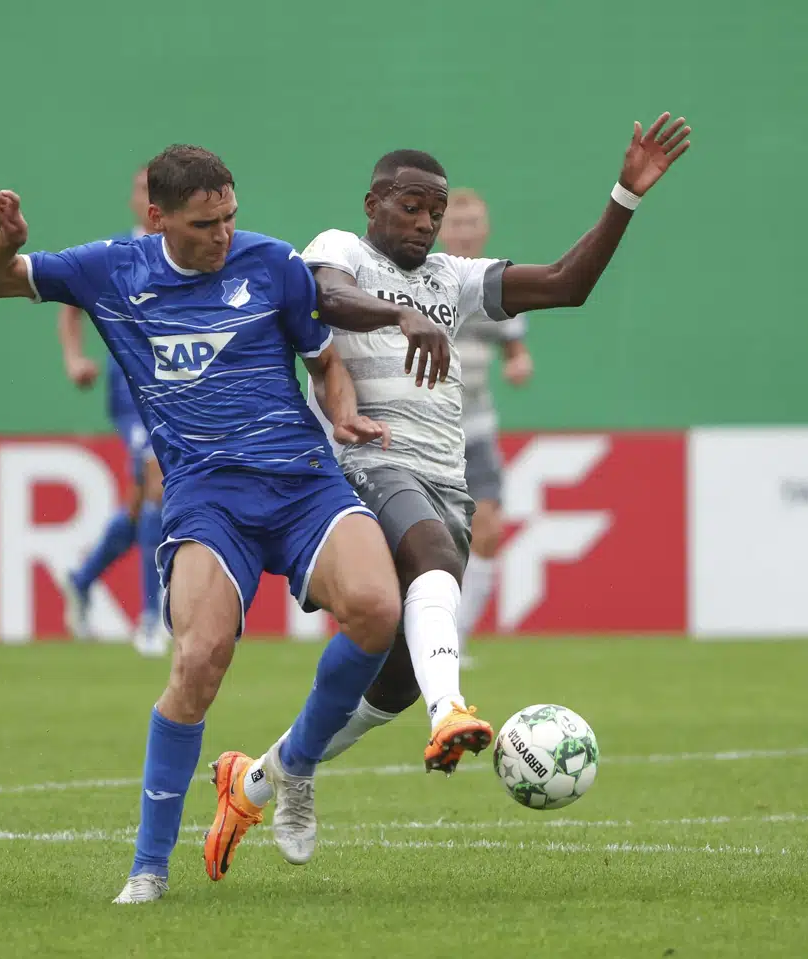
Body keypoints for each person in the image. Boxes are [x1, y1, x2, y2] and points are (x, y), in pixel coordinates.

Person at [212, 112, 691, 875]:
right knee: (430, 559)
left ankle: (265, 776)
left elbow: (567, 286)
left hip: (446, 481)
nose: (426, 221)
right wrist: (399, 312)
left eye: (435, 211)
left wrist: (623, 198)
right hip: (362, 459)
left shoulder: (452, 279)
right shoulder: (339, 248)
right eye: (412, 205)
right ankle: (453, 709)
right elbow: (325, 300)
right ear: (374, 201)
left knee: (390, 682)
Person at [0, 144, 402, 905]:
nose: (224, 234)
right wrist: (8, 238)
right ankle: (148, 867)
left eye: (231, 216)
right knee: (199, 659)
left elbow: (326, 361)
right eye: (206, 223)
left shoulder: (275, 266)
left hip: (303, 483)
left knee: (378, 608)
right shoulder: (111, 269)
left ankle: (291, 765)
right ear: (158, 216)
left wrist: (345, 413)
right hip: (206, 497)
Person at [55, 166, 168, 655]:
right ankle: (150, 618)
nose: (150, 199)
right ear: (133, 200)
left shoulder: (190, 254)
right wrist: (74, 358)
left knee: (140, 504)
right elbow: (69, 301)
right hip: (130, 395)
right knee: (156, 482)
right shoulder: (117, 256)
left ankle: (81, 578)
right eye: (144, 190)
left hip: (179, 395)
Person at [440, 188, 534, 664]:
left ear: (485, 231)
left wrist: (520, 364)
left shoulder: (499, 286)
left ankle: (455, 639)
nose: (463, 232)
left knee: (489, 530)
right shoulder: (422, 282)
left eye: (472, 223)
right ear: (440, 230)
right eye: (455, 224)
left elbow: (516, 350)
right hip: (426, 432)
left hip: (475, 429)